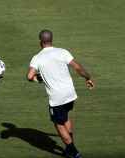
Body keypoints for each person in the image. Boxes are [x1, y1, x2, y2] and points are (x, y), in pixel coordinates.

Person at [27, 29, 95, 158]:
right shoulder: (62, 52)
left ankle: (73, 151)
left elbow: (29, 76)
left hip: (56, 97)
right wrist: (88, 78)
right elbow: (78, 68)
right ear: (51, 40)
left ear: (40, 41)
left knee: (58, 124)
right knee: (66, 117)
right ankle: (70, 148)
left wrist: (38, 79)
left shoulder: (37, 57)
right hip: (70, 93)